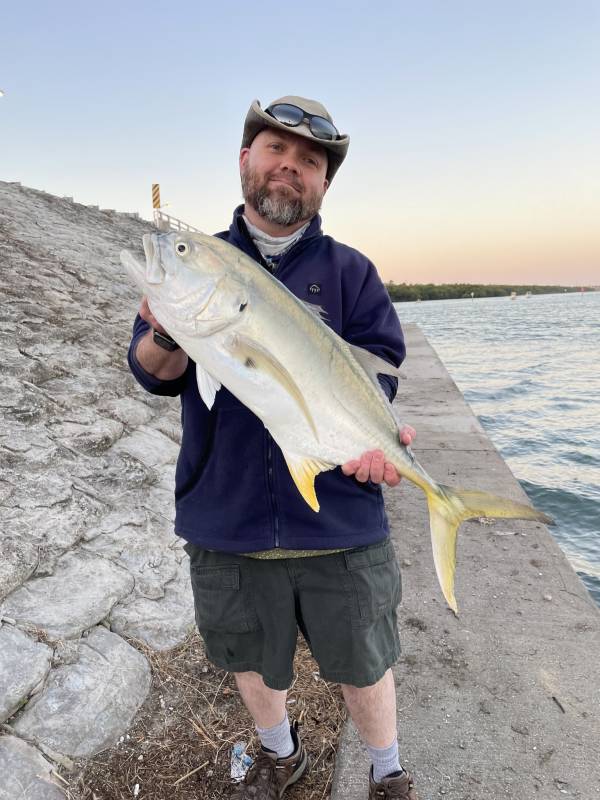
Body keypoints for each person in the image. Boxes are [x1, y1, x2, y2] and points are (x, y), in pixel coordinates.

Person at [127, 96, 418, 800]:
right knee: (250, 657)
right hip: (226, 518)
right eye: (275, 152)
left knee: (363, 658)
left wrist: (379, 441)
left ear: (323, 184)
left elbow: (379, 368)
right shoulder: (202, 270)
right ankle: (280, 756)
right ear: (245, 162)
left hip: (340, 518)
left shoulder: (351, 272)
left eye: (309, 161)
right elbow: (152, 372)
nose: (289, 168)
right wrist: (170, 328)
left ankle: (387, 771)